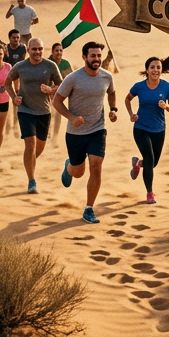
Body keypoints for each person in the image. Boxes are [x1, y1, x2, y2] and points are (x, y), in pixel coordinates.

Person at [53, 41, 117, 223]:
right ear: (84, 57)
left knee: (96, 167)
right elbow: (56, 102)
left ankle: (89, 208)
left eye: (99, 56)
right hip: (75, 133)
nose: (97, 59)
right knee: (78, 172)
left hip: (98, 129)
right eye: (93, 56)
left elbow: (112, 92)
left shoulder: (107, 77)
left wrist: (114, 109)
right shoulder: (73, 78)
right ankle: (69, 167)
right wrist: (71, 117)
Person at [5, 37, 62, 192]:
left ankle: (28, 162)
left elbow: (61, 84)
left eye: (40, 49)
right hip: (25, 110)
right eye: (34, 49)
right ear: (28, 50)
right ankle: (31, 181)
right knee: (30, 145)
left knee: (39, 148)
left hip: (44, 111)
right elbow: (7, 81)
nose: (37, 52)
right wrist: (13, 97)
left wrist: (50, 90)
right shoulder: (20, 66)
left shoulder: (50, 66)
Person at [125, 54, 169, 204]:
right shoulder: (139, 86)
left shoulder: (166, 86)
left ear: (162, 70)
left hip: (159, 129)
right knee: (149, 158)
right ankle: (150, 193)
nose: (155, 70)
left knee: (152, 163)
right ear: (147, 70)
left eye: (158, 67)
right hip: (141, 128)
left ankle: (137, 164)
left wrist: (166, 106)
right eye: (152, 67)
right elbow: (127, 99)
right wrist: (131, 114)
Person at [50, 42, 72, 140]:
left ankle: (55, 136)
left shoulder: (65, 64)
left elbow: (70, 79)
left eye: (60, 50)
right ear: (52, 52)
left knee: (58, 116)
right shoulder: (47, 63)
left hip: (59, 95)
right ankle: (47, 135)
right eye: (56, 50)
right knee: (48, 116)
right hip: (47, 95)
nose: (59, 53)